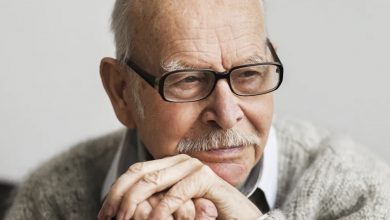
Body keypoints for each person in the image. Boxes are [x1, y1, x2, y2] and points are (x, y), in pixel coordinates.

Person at [5, 0, 390, 219]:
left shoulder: (361, 190)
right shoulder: (54, 199)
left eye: (250, 73)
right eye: (188, 80)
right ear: (122, 92)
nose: (226, 114)